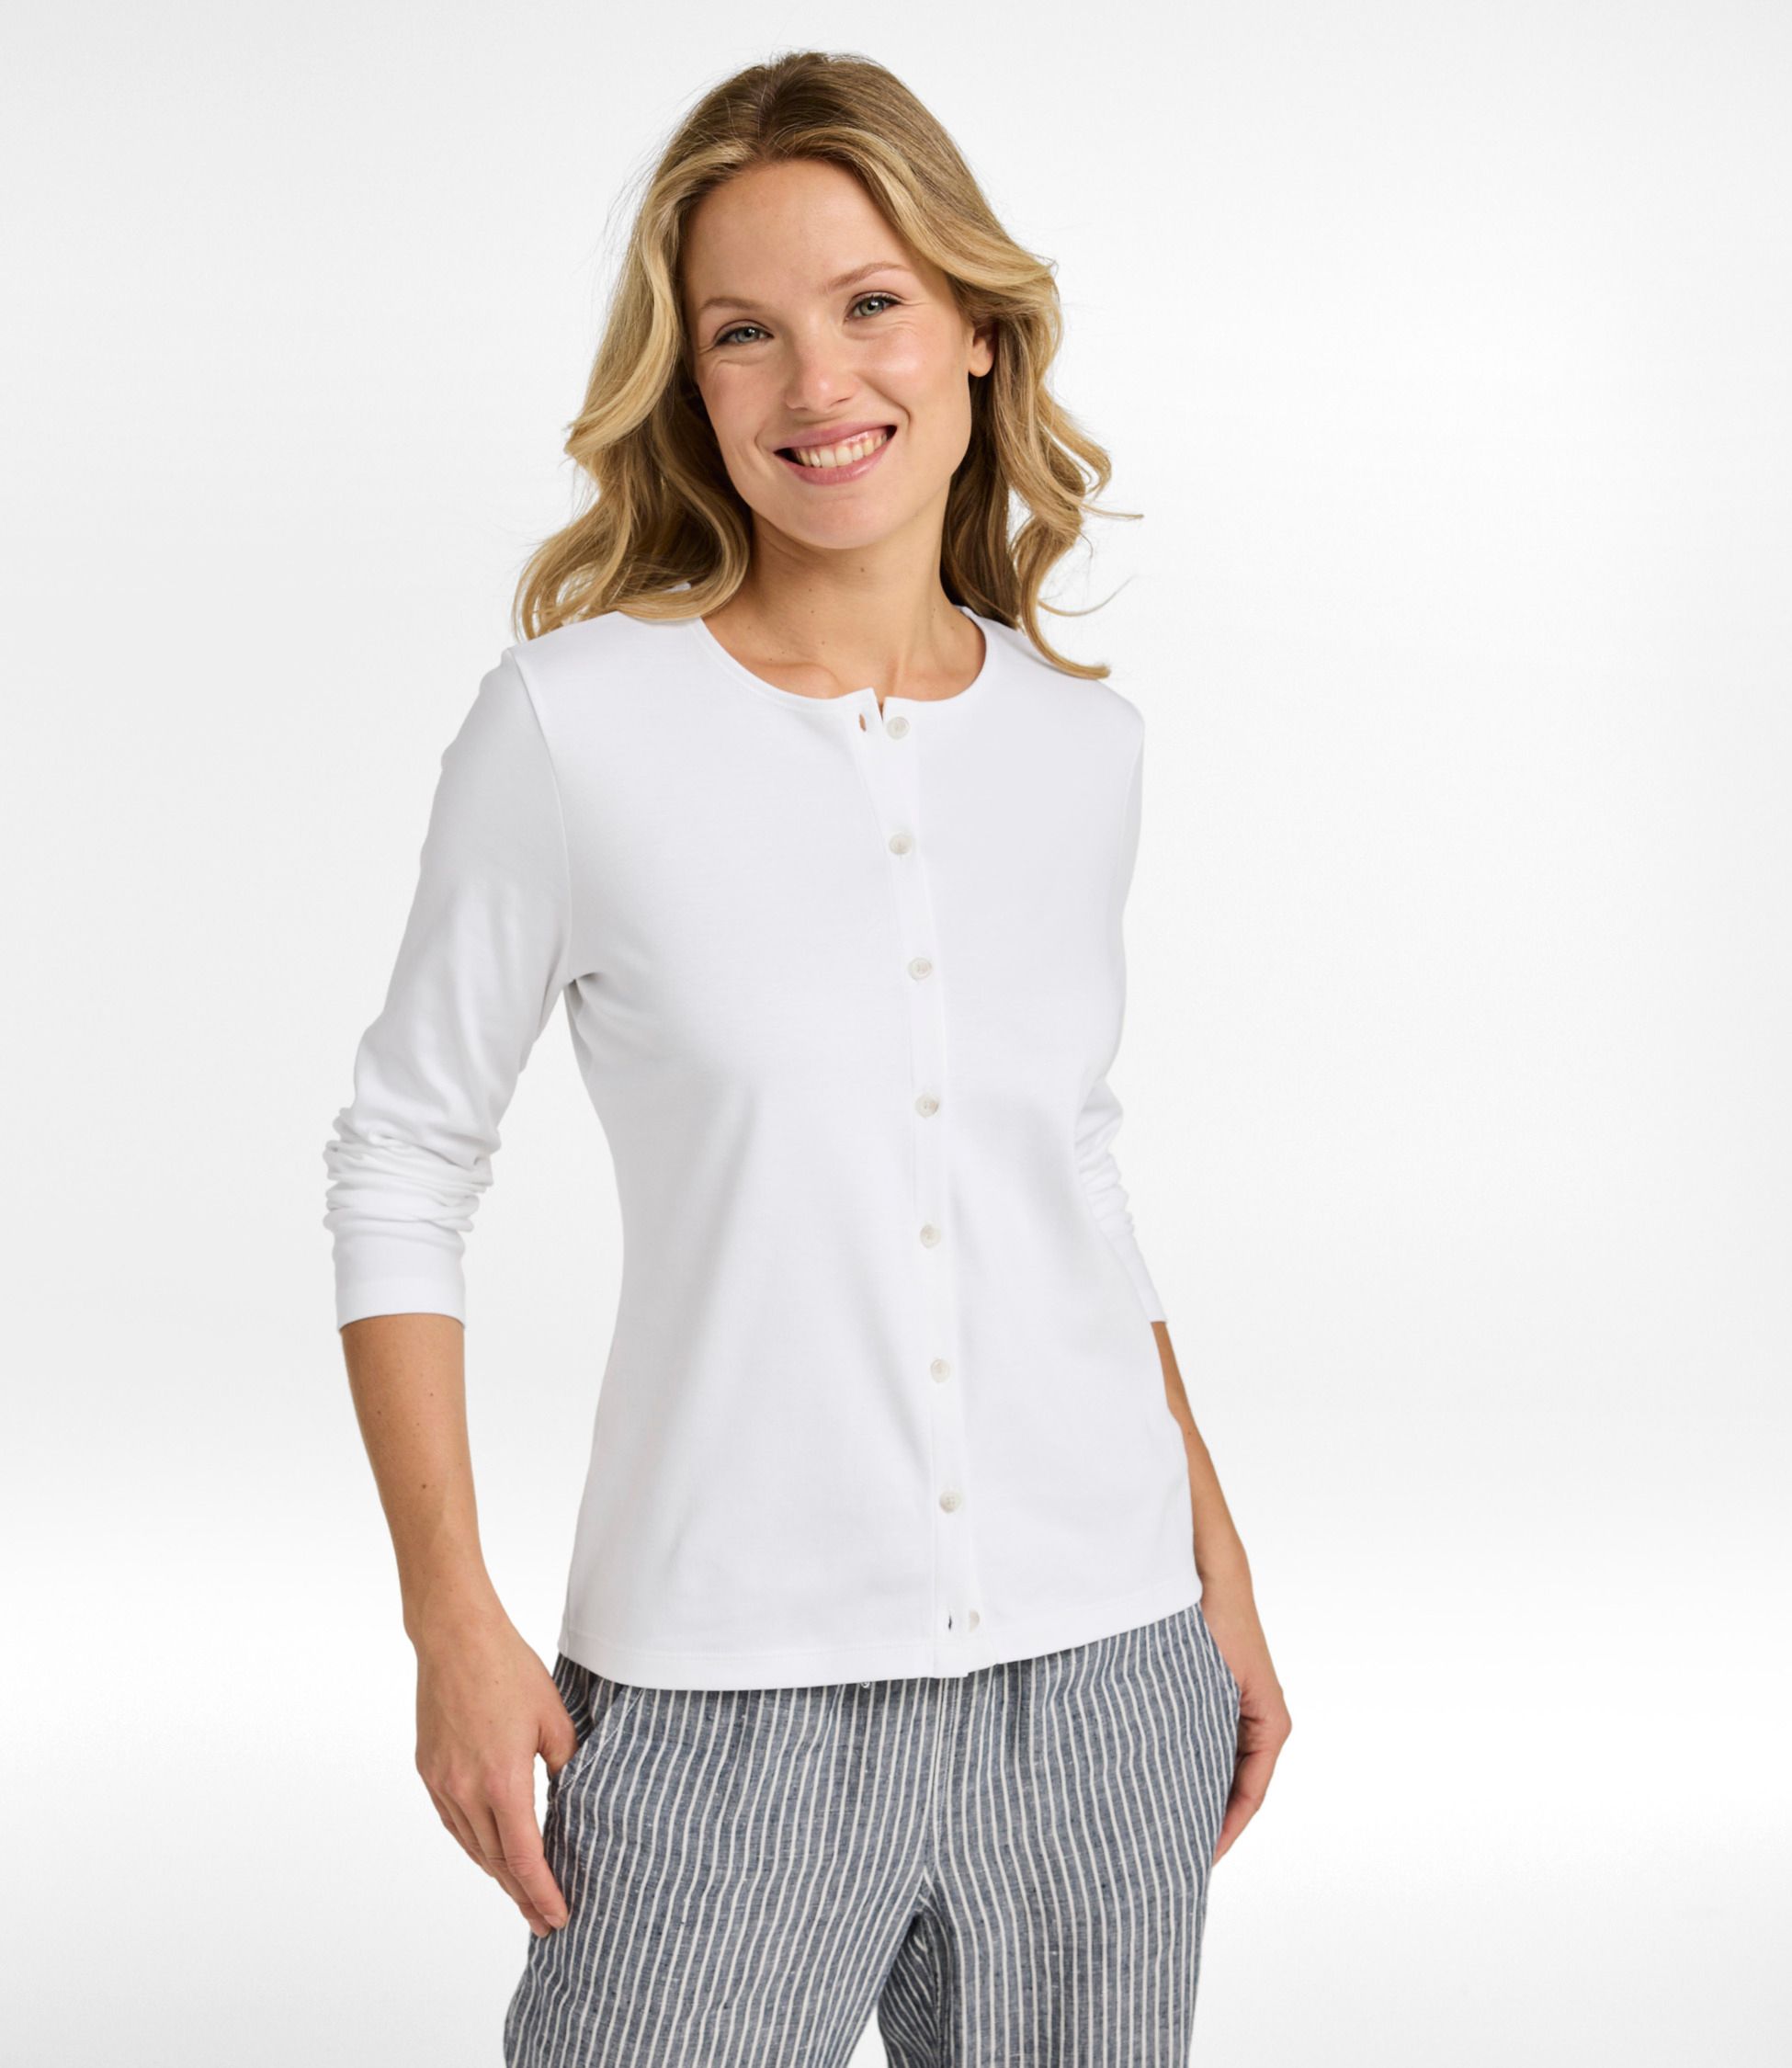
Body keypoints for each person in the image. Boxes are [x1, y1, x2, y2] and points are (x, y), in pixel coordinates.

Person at [323, 48, 1290, 2066]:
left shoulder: (1079, 746)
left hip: (1106, 1675)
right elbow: (404, 1161)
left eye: (869, 304)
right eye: (742, 331)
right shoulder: (575, 724)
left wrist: (1217, 1566)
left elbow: (1068, 1169)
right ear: (688, 383)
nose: (814, 381)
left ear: (975, 329)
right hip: (719, 1685)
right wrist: (448, 1615)